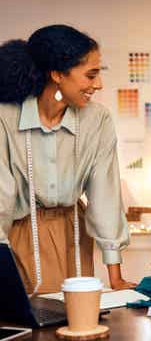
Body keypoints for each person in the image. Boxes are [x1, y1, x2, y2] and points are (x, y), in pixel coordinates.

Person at [0, 24, 135, 294]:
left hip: (74, 233)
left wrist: (116, 277)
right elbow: (1, 195)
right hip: (19, 233)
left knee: (78, 320)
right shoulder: (6, 117)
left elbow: (105, 194)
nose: (98, 85)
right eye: (91, 75)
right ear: (57, 74)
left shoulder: (98, 119)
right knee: (28, 322)